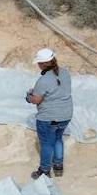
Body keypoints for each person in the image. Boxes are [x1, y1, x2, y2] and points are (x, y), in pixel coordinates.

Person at [26, 48, 73, 179]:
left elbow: (36, 100)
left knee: (46, 144)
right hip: (66, 115)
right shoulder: (65, 73)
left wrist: (29, 96)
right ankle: (58, 167)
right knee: (58, 139)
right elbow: (59, 90)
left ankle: (44, 170)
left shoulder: (43, 80)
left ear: (42, 64)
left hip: (49, 118)